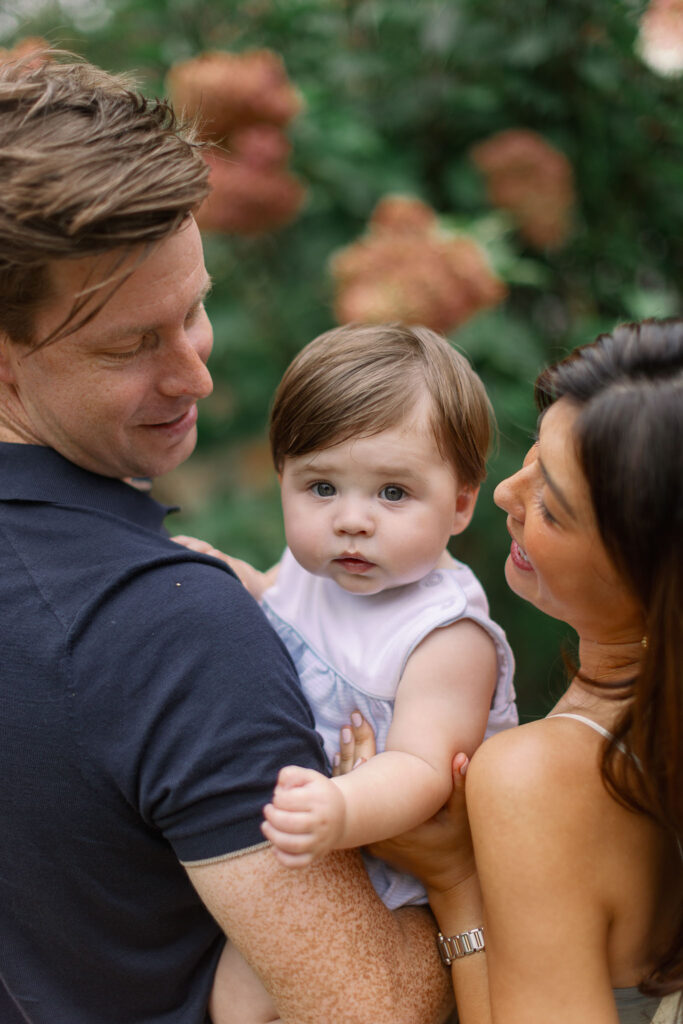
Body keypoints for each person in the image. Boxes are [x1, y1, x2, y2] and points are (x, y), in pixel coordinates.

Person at [0, 52, 455, 1024]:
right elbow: (367, 1009)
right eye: (130, 344)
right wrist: (462, 881)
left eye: (194, 309)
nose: (194, 375)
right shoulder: (160, 627)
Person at [174, 322, 518, 1023]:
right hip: (318, 847)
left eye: (393, 493)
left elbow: (424, 771)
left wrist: (342, 810)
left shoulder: (445, 635)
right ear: (282, 480)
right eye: (321, 487)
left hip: (406, 881)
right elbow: (280, 606)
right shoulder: (318, 574)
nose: (351, 521)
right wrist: (228, 580)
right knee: (231, 1003)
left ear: (459, 502)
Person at [342, 319, 683, 1024]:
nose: (505, 494)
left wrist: (455, 877)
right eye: (533, 453)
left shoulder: (539, 777)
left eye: (551, 509)